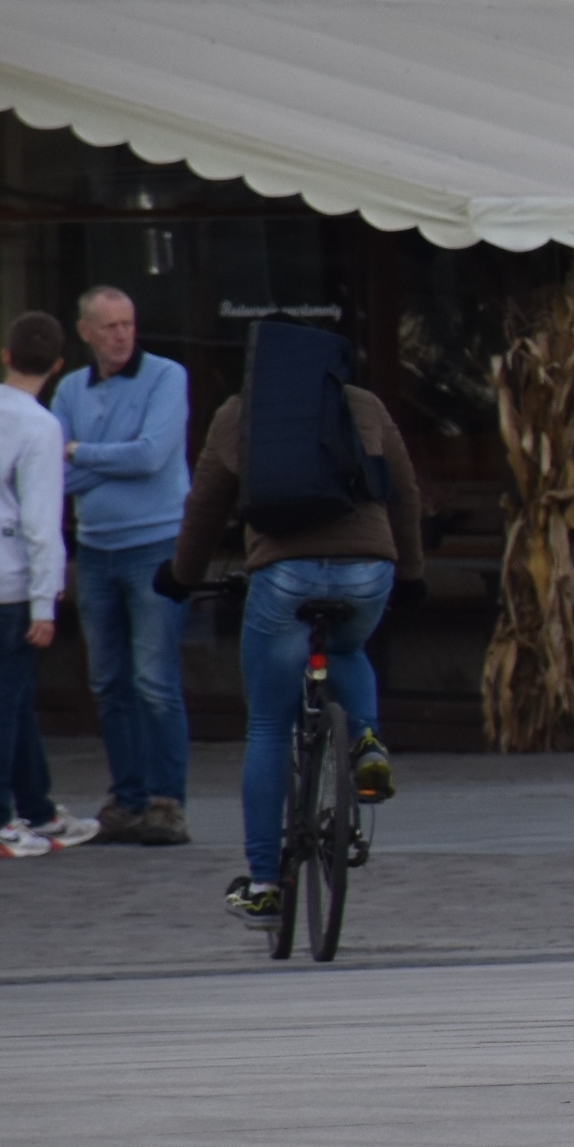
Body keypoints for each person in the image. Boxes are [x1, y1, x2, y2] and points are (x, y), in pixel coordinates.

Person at [156, 320, 425, 926]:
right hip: (367, 572)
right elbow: (404, 492)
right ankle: (367, 745)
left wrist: (181, 575)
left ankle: (264, 885)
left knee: (270, 727)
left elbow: (205, 508)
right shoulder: (365, 405)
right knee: (347, 649)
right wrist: (410, 573)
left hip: (284, 577)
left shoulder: (237, 414)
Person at [0, 311, 101, 859]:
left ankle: (38, 810)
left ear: (5, 355)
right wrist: (45, 600)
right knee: (3, 698)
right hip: (13, 577)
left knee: (11, 696)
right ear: (58, 366)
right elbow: (41, 521)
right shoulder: (41, 426)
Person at [51, 285, 193, 846]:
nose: (122, 335)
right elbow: (52, 472)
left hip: (156, 546)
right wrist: (112, 456)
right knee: (109, 681)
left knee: (154, 680)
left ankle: (167, 802)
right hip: (95, 550)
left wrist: (81, 451)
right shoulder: (70, 389)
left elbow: (153, 455)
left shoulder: (166, 377)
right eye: (109, 326)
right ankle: (128, 799)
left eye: (128, 324)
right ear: (85, 331)